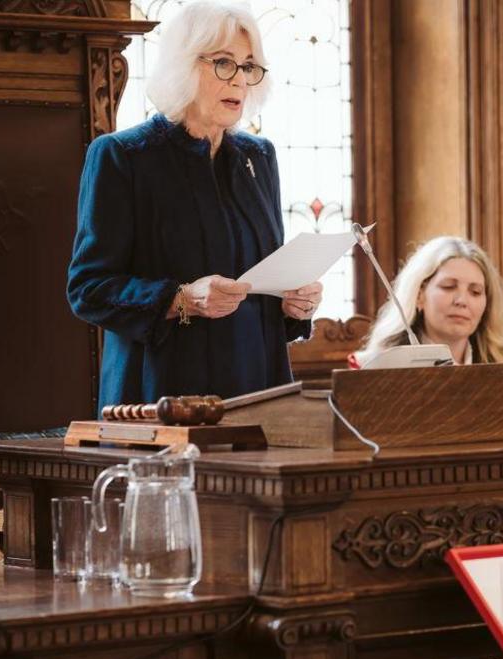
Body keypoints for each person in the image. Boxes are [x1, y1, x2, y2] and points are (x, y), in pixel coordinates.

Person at [67, 0, 323, 409]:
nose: (240, 81)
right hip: (160, 395)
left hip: (259, 390)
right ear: (182, 66)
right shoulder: (122, 156)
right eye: (224, 63)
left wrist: (294, 305)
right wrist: (182, 299)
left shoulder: (259, 157)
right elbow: (88, 290)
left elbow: (263, 279)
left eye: (249, 66)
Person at [355, 236, 503, 366]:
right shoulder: (380, 364)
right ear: (419, 295)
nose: (462, 301)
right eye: (449, 287)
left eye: (475, 292)